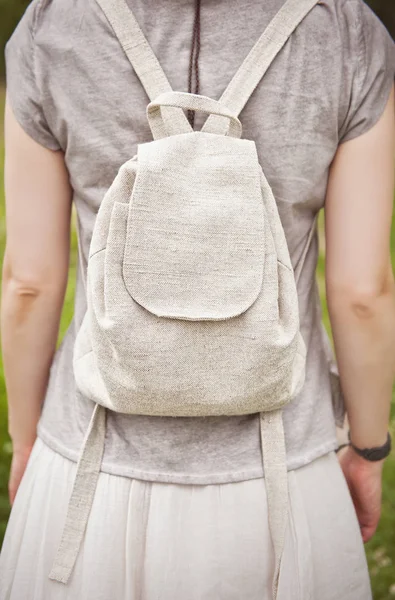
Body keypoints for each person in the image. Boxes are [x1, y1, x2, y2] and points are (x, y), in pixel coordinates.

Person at [0, 0, 395, 598]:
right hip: (279, 471)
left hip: (90, 457)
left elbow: (27, 283)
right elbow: (362, 293)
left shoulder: (56, 23)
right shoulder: (343, 29)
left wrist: (28, 439)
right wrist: (368, 448)